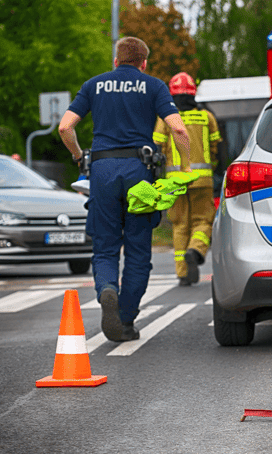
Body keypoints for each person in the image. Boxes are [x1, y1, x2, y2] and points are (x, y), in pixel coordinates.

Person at [58, 37, 192, 342]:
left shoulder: (94, 85)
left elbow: (65, 126)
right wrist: (185, 165)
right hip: (139, 174)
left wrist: (79, 157)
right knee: (137, 252)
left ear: (116, 61)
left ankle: (107, 289)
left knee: (104, 248)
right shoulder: (154, 86)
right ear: (144, 62)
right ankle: (126, 320)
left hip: (102, 171)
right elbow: (179, 129)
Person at [153, 72, 221, 286]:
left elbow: (157, 149)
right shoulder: (206, 117)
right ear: (193, 93)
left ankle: (182, 273)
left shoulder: (165, 118)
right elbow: (216, 149)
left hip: (175, 182)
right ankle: (195, 250)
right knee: (203, 221)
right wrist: (214, 168)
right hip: (203, 180)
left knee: (179, 225)